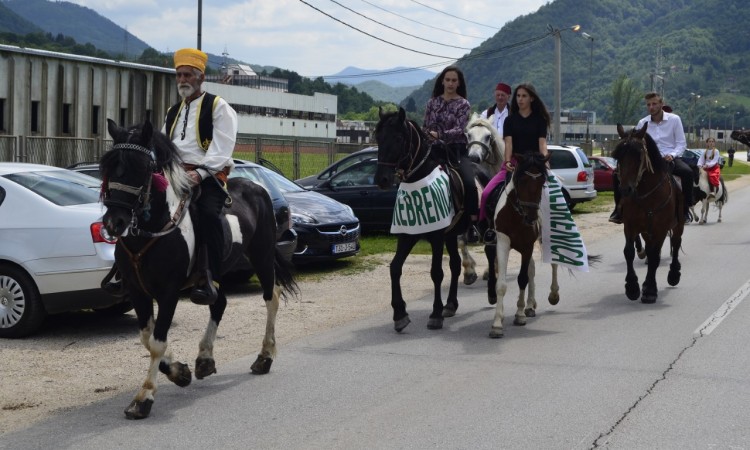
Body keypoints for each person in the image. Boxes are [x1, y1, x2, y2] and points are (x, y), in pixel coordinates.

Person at [164, 48, 239, 305]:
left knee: (207, 215)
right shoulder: (172, 111)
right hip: (174, 174)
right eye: (179, 75)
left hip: (208, 176)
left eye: (187, 75)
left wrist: (199, 173)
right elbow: (164, 146)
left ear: (201, 77)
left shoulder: (219, 107)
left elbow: (222, 148)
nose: (182, 80)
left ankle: (211, 277)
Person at [481, 83, 551, 243]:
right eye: (518, 96)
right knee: (486, 194)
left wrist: (545, 161)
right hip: (515, 162)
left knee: (553, 196)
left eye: (524, 96)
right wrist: (506, 161)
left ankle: (551, 233)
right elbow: (509, 144)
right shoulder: (510, 120)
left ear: (532, 98)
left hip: (534, 163)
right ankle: (488, 229)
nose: (520, 99)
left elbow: (542, 144)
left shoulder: (540, 120)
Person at [609, 92, 693, 224]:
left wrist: (672, 155)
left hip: (669, 158)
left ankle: (685, 209)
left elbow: (681, 143)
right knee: (616, 175)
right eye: (648, 104)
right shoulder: (642, 122)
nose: (651, 107)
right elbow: (635, 144)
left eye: (654, 104)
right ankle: (618, 210)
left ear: (661, 104)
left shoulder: (674, 119)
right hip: (648, 160)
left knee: (687, 172)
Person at [423, 65, 479, 242]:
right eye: (447, 79)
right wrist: (429, 135)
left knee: (469, 183)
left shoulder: (463, 104)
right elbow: (425, 125)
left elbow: (460, 129)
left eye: (454, 80)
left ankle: (472, 225)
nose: (450, 83)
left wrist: (440, 135)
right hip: (434, 150)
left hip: (456, 151)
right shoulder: (432, 103)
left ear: (459, 83)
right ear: (442, 81)